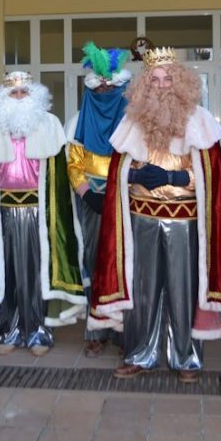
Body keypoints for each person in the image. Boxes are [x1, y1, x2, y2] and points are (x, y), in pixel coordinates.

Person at [89, 47, 221, 383]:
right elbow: (118, 173)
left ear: (180, 82)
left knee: (182, 287)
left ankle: (186, 357)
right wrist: (133, 176)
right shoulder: (132, 121)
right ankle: (139, 353)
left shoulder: (199, 119)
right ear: (145, 85)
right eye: (155, 80)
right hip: (140, 218)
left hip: (184, 220)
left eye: (168, 78)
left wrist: (176, 178)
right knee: (142, 288)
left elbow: (213, 174)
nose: (161, 85)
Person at [0, 71, 86, 356]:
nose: (20, 97)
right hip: (3, 213)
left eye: (25, 92)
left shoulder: (50, 125)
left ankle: (38, 331)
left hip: (39, 211)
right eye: (14, 93)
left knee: (37, 273)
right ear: (3, 97)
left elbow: (59, 178)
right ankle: (9, 331)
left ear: (35, 96)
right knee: (7, 272)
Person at [65, 42, 131, 357]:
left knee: (124, 267)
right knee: (92, 262)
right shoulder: (78, 120)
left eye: (111, 85)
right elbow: (73, 163)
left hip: (126, 201)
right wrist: (88, 194)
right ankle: (96, 330)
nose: (105, 90)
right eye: (100, 85)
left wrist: (122, 193)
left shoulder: (133, 121)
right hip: (90, 201)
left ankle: (123, 333)